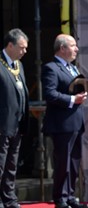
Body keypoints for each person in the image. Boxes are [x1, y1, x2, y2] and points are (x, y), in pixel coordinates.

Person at [41, 34, 88, 208]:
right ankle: (60, 197)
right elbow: (50, 93)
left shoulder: (73, 68)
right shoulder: (51, 68)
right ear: (62, 48)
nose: (76, 49)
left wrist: (81, 96)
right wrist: (71, 99)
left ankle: (70, 196)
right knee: (63, 162)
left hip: (76, 122)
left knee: (74, 162)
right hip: (61, 124)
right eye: (73, 46)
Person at [0, 28, 29, 208]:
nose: (24, 51)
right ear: (10, 45)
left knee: (11, 165)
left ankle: (8, 197)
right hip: (2, 124)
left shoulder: (18, 65)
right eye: (21, 47)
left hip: (17, 124)